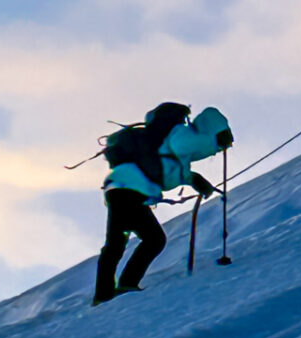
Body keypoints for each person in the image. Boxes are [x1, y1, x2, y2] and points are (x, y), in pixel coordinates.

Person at [95, 104, 233, 305]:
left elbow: (167, 172)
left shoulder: (158, 139)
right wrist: (217, 141)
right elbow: (187, 147)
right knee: (153, 239)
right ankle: (124, 285)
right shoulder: (178, 133)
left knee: (118, 244)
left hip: (119, 188)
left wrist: (193, 179)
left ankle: (104, 293)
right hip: (130, 191)